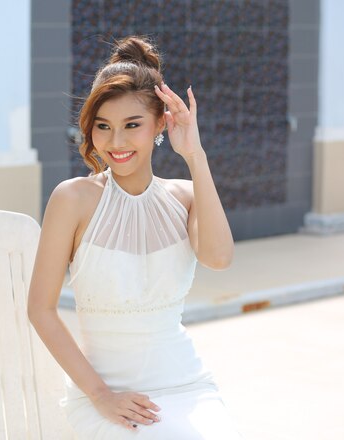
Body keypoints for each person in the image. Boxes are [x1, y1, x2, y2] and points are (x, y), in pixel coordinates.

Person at [27, 36, 243, 439]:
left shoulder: (185, 196)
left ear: (161, 123)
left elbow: (218, 258)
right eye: (103, 127)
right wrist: (101, 395)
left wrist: (195, 156)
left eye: (132, 125)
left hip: (186, 385)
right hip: (104, 395)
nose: (116, 142)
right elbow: (40, 310)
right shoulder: (73, 199)